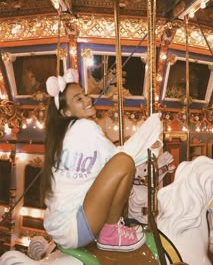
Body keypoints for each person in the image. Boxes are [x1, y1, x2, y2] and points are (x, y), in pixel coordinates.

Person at [43, 68, 162, 252]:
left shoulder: (63, 135)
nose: (87, 99)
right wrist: (150, 137)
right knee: (124, 163)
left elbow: (105, 162)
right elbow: (119, 158)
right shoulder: (85, 128)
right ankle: (111, 232)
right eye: (79, 99)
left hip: (60, 229)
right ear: (66, 112)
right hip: (75, 228)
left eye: (84, 94)